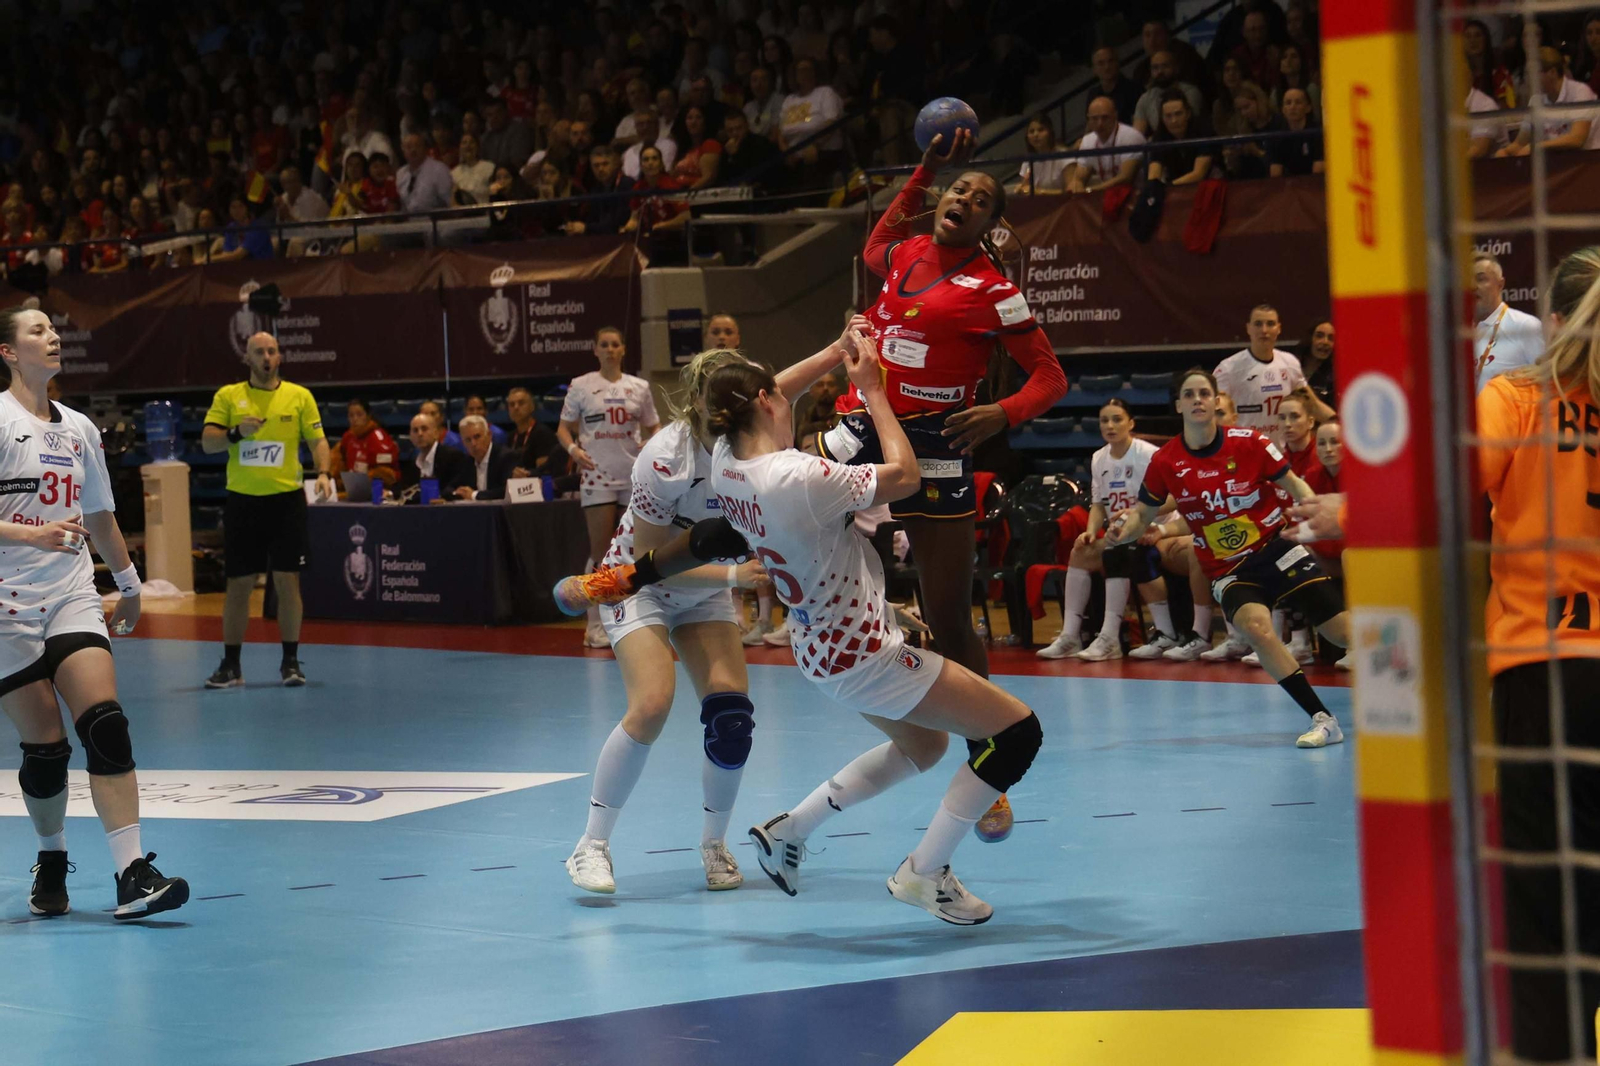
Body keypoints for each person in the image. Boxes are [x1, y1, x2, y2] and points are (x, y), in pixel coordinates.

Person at [556, 332, 1046, 925]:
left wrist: (836, 351)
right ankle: (925, 872)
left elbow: (715, 538)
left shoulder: (732, 467)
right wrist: (872, 392)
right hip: (855, 651)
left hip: (820, 645)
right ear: (760, 403)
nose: (788, 400)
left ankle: (781, 832)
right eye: (777, 396)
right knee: (1018, 734)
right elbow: (907, 476)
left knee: (916, 742)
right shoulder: (780, 474)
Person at [818, 129, 1067, 838]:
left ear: (993, 224)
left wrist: (1001, 412)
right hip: (866, 425)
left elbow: (1051, 378)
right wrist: (927, 164)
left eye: (981, 199)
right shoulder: (900, 254)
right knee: (789, 537)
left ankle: (989, 768)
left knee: (952, 611)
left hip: (938, 444)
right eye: (960, 190)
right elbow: (876, 241)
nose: (965, 199)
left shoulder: (997, 290)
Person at [565, 324, 859, 896]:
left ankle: (713, 845)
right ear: (700, 401)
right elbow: (654, 559)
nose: (757, 401)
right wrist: (733, 574)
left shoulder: (746, 430)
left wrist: (835, 349)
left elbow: (783, 387)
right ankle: (591, 845)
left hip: (705, 590)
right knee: (651, 705)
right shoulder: (665, 459)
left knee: (731, 720)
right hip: (642, 584)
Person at [0, 307, 189, 920]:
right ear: (7, 351)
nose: (51, 336)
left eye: (54, 328)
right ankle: (51, 857)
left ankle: (131, 874)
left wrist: (130, 584)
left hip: (72, 592)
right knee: (46, 752)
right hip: (5, 604)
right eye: (36, 330)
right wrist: (29, 536)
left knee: (106, 723)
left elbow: (101, 514)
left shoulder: (79, 427)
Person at [1477, 245, 1600, 1063]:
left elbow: (1442, 493)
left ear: (1549, 321)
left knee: (1547, 907)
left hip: (1546, 668)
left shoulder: (1516, 395)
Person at [1106, 369, 1349, 748]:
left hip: (1276, 548)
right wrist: (1124, 533)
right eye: (1190, 394)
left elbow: (1294, 483)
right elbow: (1141, 515)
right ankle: (1323, 719)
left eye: (1205, 393)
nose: (1198, 399)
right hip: (1226, 568)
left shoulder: (1250, 442)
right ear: (1179, 404)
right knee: (1257, 627)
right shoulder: (1166, 462)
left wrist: (1312, 511)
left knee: (1342, 632)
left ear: (1217, 400)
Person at [201, 332, 333, 688]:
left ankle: (290, 661)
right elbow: (207, 442)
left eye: (272, 351)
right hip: (244, 501)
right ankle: (231, 665)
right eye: (259, 351)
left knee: (288, 581)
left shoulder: (299, 396)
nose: (266, 356)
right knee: (239, 585)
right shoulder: (229, 396)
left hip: (286, 501)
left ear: (279, 357)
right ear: (248, 358)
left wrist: (323, 472)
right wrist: (235, 432)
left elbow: (317, 440)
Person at [1037, 399, 1175, 660]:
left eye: (1117, 419)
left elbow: (1174, 497)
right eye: (1104, 420)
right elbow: (1099, 505)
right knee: (1081, 551)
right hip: (1120, 534)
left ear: (1131, 423)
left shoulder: (1148, 454)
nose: (1110, 425)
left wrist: (1141, 516)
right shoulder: (1098, 458)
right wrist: (1090, 530)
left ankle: (1110, 638)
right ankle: (1070, 637)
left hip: (1155, 528)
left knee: (1117, 550)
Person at [558, 326, 661, 648]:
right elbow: (563, 429)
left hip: (633, 475)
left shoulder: (639, 387)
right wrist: (574, 451)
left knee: (634, 547)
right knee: (601, 551)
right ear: (596, 349)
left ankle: (637, 615)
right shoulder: (581, 386)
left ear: (623, 350)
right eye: (604, 344)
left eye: (615, 344)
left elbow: (654, 424)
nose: (610, 349)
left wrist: (652, 443)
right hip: (598, 477)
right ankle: (594, 624)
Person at [1213, 303, 1334, 444]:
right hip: (1246, 452)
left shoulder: (1289, 363)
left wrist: (1339, 423)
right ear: (1248, 328)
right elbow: (1214, 414)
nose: (1264, 330)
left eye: (1270, 324)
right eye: (1258, 324)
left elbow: (1313, 405)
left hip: (1281, 454)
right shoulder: (1229, 368)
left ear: (1278, 329)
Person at [1497, 47, 1600, 156]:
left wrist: (1537, 146)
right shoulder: (1536, 101)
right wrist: (1505, 152)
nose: (1528, 80)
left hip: (1589, 162)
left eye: (1533, 73)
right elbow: (1519, 143)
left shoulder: (1580, 92)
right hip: (1558, 163)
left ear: (1552, 72)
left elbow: (1577, 138)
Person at [1473, 252, 1544, 393]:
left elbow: (1547, 386)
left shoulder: (1525, 326)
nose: (1473, 286)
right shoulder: (1460, 332)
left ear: (1500, 284)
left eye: (1481, 279)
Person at [1064, 96, 1146, 195]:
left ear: (1115, 116)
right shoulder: (1087, 141)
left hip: (1136, 195)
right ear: (1088, 119)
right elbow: (1079, 177)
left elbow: (1125, 177)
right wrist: (1076, 185)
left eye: (1105, 118)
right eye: (1094, 118)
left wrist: (1091, 190)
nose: (1100, 123)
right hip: (1106, 197)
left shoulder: (1131, 136)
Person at [329, 398, 400, 491]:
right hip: (354, 489)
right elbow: (338, 464)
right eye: (351, 415)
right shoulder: (348, 437)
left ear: (368, 416)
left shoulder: (378, 438)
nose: (355, 419)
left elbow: (387, 474)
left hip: (378, 491)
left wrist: (364, 481)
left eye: (359, 414)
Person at [1145, 91, 1214, 186]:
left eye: (1178, 114)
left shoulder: (1203, 131)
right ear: (1162, 118)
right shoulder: (1159, 137)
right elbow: (1154, 174)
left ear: (1188, 113)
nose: (1174, 120)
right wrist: (1153, 187)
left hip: (1206, 186)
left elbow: (1199, 174)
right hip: (1175, 188)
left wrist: (1168, 187)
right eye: (1168, 116)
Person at [397, 410, 471, 497]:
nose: (420, 434)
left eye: (424, 429)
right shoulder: (412, 463)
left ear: (436, 433)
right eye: (415, 430)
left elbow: (453, 489)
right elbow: (405, 488)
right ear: (410, 436)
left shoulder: (452, 457)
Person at [452, 415, 519, 501]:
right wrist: (457, 493)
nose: (473, 444)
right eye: (468, 440)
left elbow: (507, 491)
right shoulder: (467, 461)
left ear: (489, 435)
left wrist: (474, 495)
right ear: (463, 443)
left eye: (477, 437)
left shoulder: (507, 457)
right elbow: (450, 488)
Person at [505, 386, 559, 475]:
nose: (516, 407)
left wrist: (527, 474)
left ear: (532, 406)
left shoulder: (542, 434)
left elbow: (544, 471)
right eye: (512, 404)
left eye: (521, 403)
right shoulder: (511, 437)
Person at [1009, 113, 1068, 195]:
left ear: (1050, 133)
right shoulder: (1028, 161)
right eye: (1031, 131)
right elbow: (1025, 187)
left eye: (1041, 130)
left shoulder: (1064, 156)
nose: (1036, 135)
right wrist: (1021, 189)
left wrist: (1040, 192)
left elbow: (1071, 191)